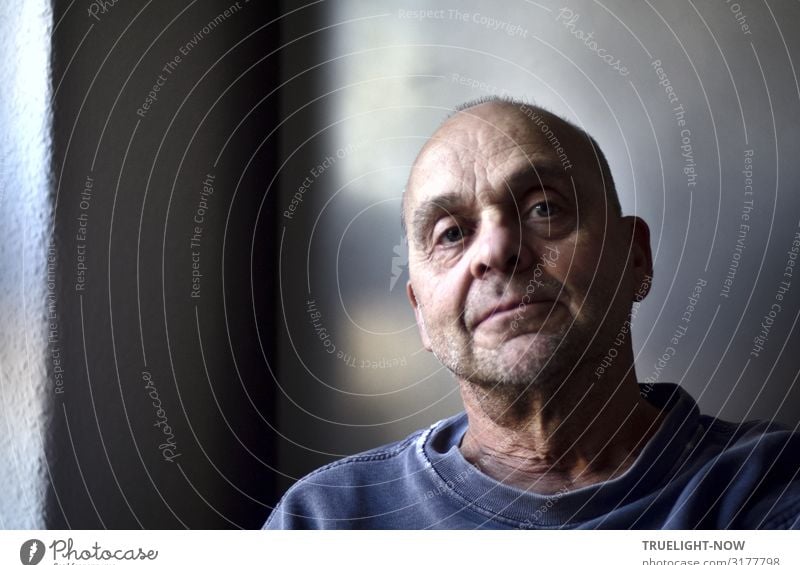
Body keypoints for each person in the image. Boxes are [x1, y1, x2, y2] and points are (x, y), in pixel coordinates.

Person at [264, 97, 800, 529]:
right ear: (421, 316)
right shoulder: (326, 521)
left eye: (544, 207)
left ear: (635, 258)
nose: (497, 250)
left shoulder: (769, 490)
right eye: (451, 234)